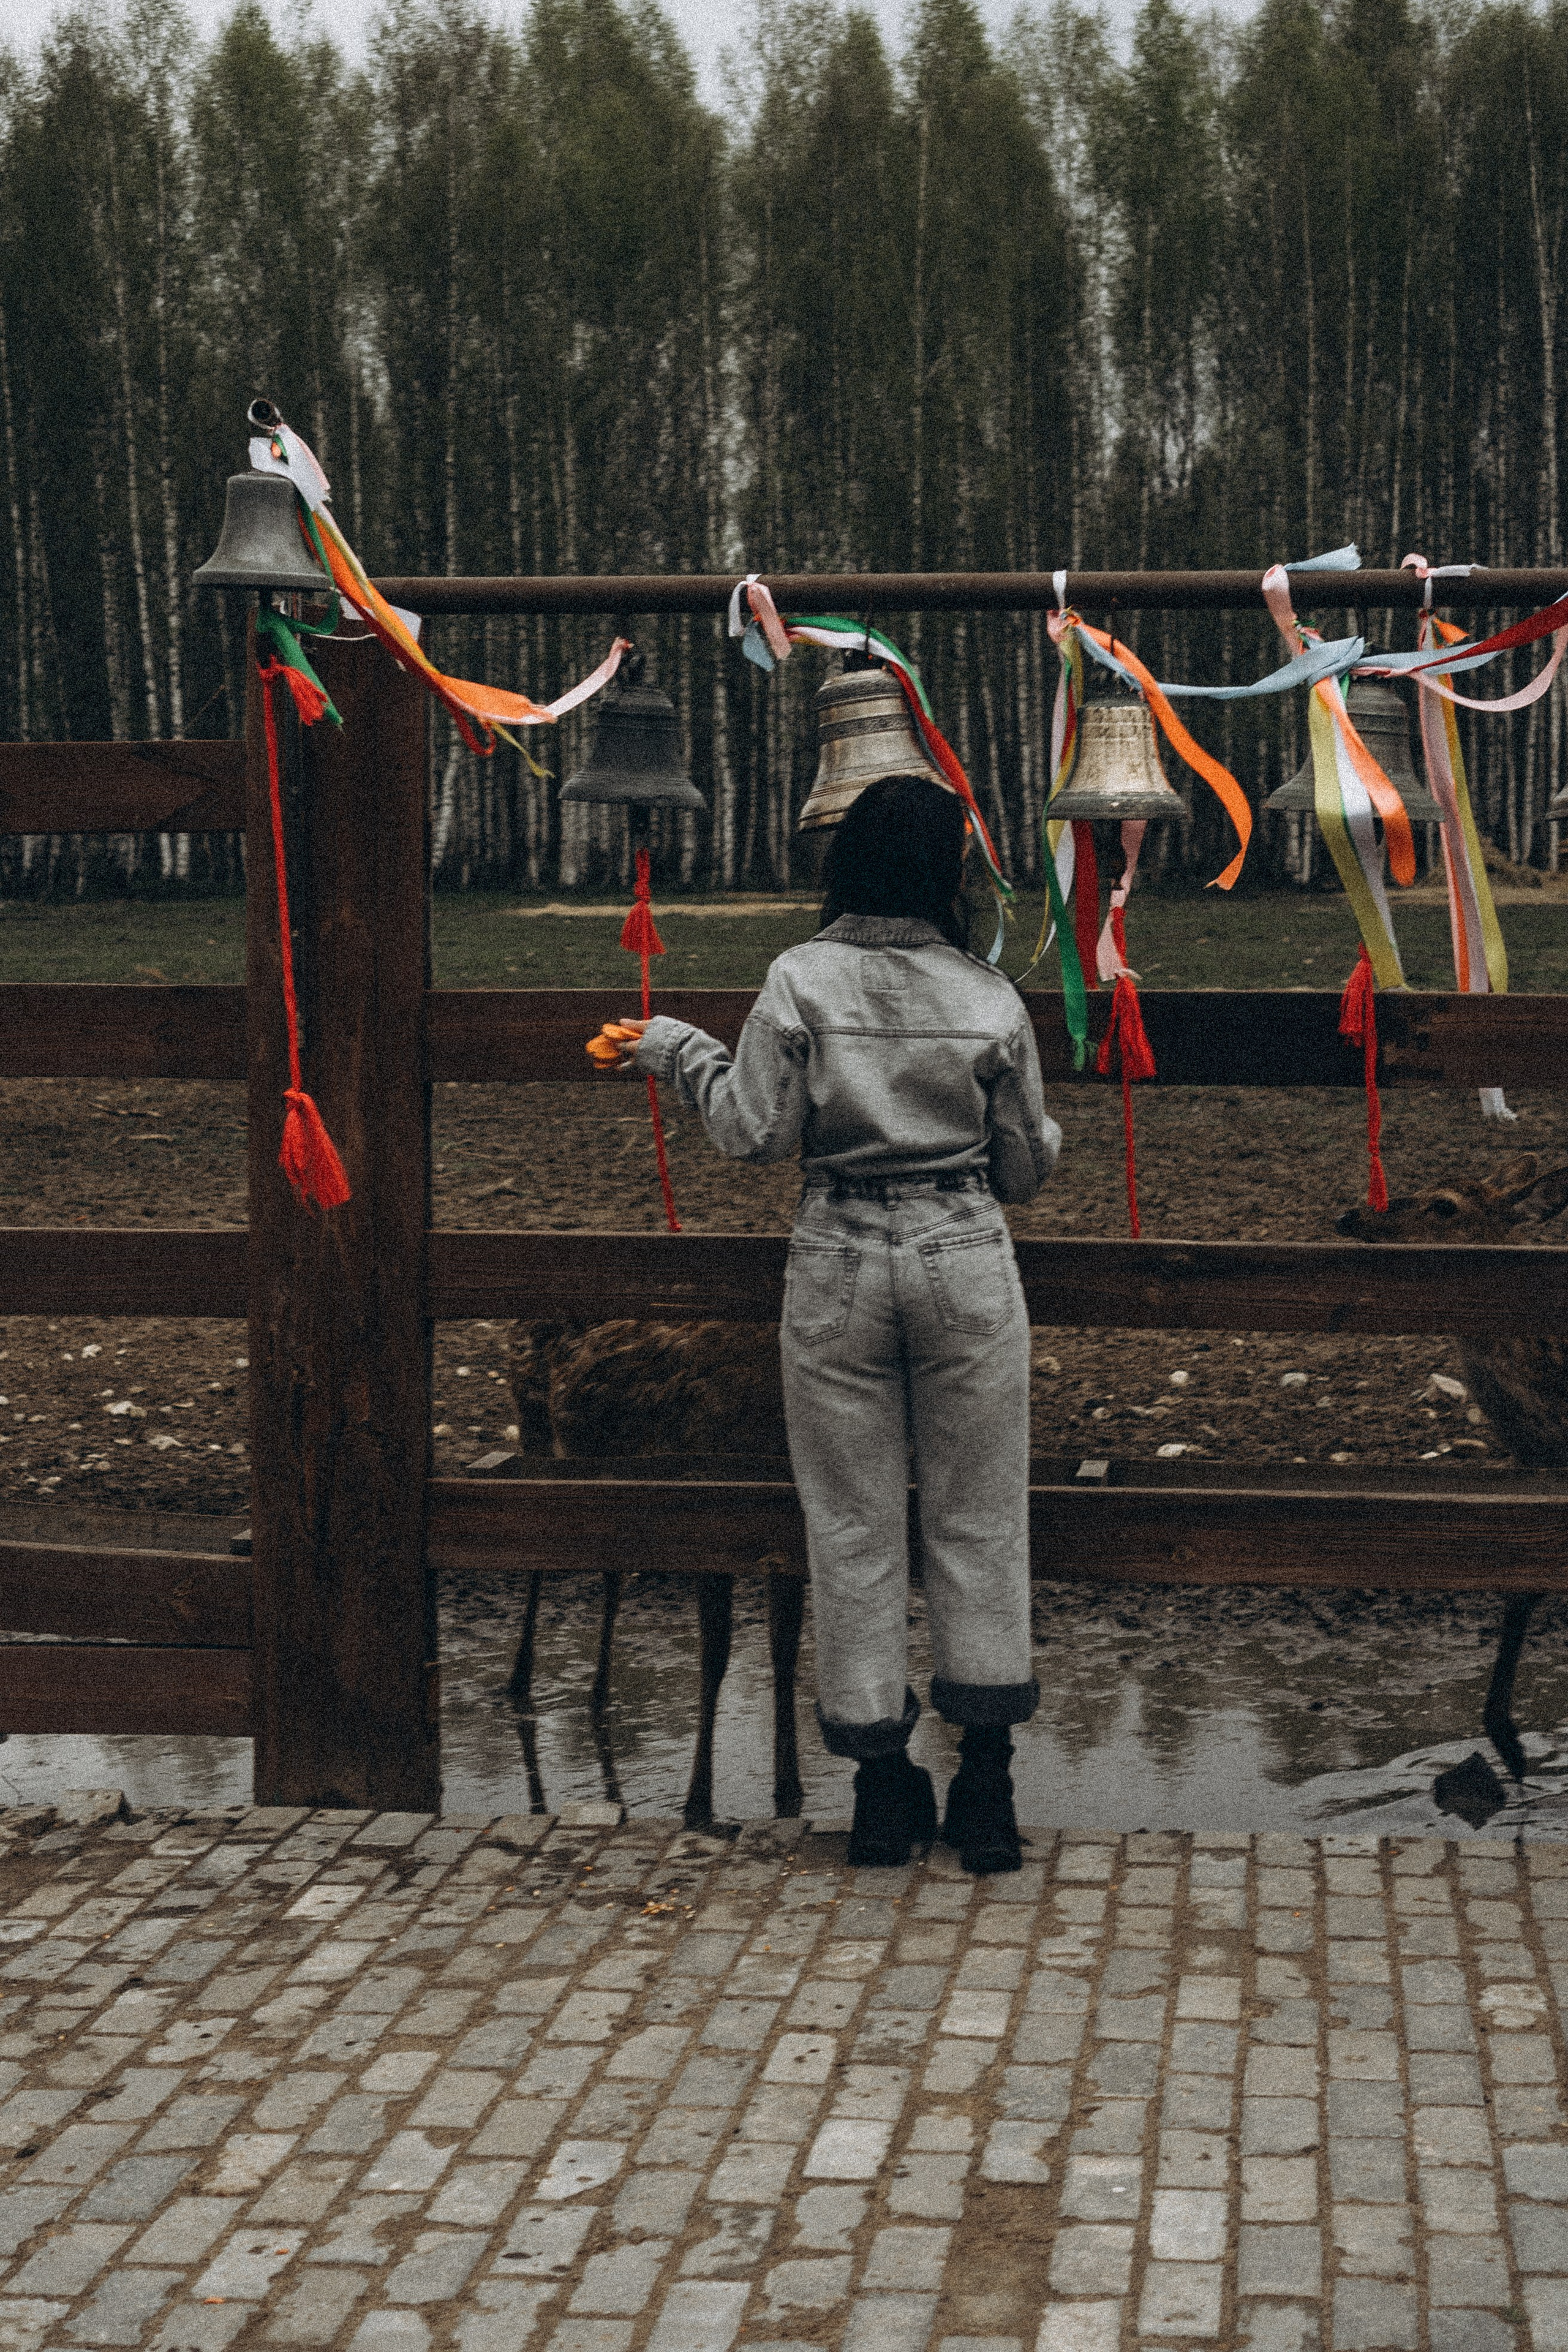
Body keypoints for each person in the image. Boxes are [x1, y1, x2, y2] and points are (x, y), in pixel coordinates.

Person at [597, 771, 1061, 1873]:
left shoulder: (797, 980)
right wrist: (1042, 1139)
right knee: (979, 1517)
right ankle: (985, 1789)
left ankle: (885, 1793)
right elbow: (1025, 1168)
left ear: (846, 863)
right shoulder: (988, 995)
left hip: (840, 1256)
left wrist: (679, 1050)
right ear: (948, 870)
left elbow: (753, 1134)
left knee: (851, 1530)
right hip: (962, 1254)